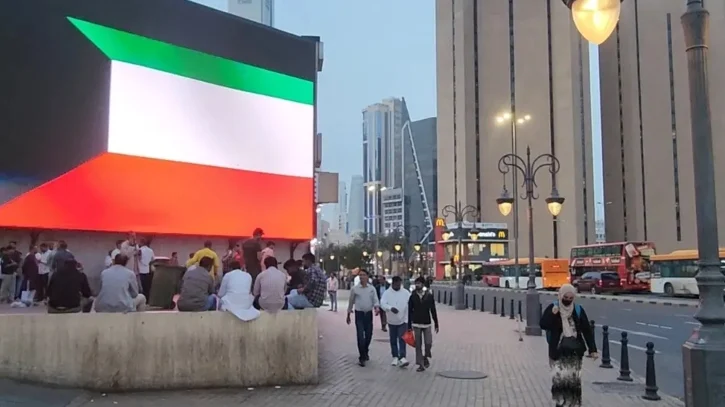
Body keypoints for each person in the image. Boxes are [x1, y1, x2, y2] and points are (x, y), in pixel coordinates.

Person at [540, 284, 598, 407]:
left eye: (571, 298)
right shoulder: (553, 308)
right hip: (558, 349)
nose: (568, 300)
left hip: (575, 350)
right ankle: (560, 402)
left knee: (573, 378)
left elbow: (586, 330)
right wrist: (553, 314)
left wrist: (592, 349)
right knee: (560, 378)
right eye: (565, 297)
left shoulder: (578, 310)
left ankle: (573, 402)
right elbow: (543, 324)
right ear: (560, 295)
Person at [346, 269, 380, 367]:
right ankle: (362, 357)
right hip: (359, 314)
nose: (362, 277)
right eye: (360, 275)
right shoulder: (355, 289)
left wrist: (377, 308)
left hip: (368, 314)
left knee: (368, 335)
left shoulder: (371, 289)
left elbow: (375, 300)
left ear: (367, 277)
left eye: (364, 275)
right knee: (360, 336)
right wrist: (348, 314)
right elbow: (351, 302)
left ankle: (365, 350)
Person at [407, 276, 439, 372]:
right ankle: (420, 364)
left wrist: (436, 323)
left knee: (428, 343)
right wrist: (409, 325)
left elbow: (433, 310)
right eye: (416, 283)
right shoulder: (412, 296)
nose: (417, 285)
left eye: (419, 283)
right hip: (416, 323)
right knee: (418, 345)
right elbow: (409, 311)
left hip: (427, 322)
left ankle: (426, 356)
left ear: (423, 284)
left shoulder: (429, 296)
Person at [380, 276, 411, 367]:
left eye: (399, 284)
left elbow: (410, 304)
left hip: (403, 320)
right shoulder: (387, 293)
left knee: (402, 338)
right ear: (393, 283)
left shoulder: (406, 293)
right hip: (392, 320)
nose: (398, 286)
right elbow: (383, 303)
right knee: (393, 339)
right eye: (396, 284)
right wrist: (390, 308)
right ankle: (395, 356)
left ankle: (402, 357)